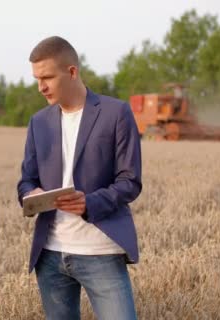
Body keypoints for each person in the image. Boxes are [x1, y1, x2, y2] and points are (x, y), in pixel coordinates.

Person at [17, 36, 142, 320]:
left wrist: (90, 203)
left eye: (47, 77)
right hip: (50, 254)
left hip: (101, 250)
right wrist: (31, 194)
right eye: (37, 78)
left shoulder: (116, 112)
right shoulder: (38, 122)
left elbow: (130, 180)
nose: (41, 87)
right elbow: (25, 180)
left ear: (72, 72)